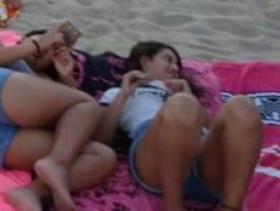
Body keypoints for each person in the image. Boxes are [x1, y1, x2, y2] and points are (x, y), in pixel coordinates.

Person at [0, 22, 116, 210]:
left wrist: (66, 78)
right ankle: (56, 164)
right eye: (45, 42)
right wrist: (37, 45)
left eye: (53, 50)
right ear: (23, 39)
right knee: (88, 105)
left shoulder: (44, 83)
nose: (47, 50)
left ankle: (31, 192)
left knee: (103, 156)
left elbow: (81, 127)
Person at [97, 42, 263, 211]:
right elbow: (102, 136)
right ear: (145, 61)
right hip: (155, 156)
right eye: (168, 60)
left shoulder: (184, 94)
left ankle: (231, 207)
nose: (174, 67)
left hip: (202, 157)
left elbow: (222, 133)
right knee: (181, 105)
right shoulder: (117, 92)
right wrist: (124, 93)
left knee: (243, 105)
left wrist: (189, 96)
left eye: (177, 64)